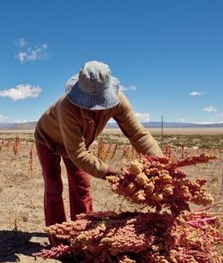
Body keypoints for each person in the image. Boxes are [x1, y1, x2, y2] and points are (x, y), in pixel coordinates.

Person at [34, 61, 162, 246]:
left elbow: (137, 134)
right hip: (48, 139)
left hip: (77, 145)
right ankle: (59, 240)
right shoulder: (67, 108)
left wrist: (163, 165)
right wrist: (110, 172)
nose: (94, 107)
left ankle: (83, 237)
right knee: (54, 187)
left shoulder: (118, 101)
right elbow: (77, 153)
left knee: (82, 186)